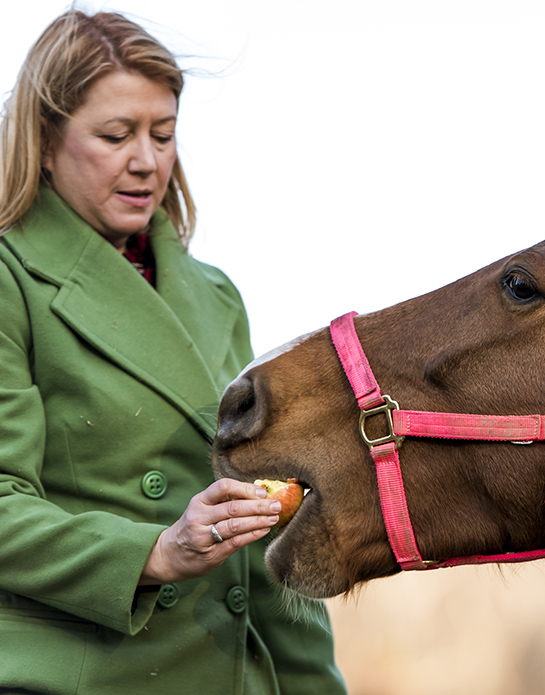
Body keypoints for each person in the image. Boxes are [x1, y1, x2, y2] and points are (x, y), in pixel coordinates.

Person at [0, 9, 347, 694]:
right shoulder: (11, 279)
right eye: (115, 134)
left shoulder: (217, 296)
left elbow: (269, 521)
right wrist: (155, 551)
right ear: (43, 141)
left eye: (163, 133)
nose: (147, 160)